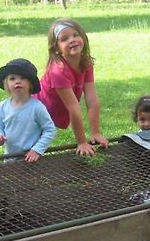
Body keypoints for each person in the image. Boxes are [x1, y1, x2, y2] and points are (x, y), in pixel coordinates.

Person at [34, 18, 109, 156]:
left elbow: (92, 101)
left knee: (35, 151)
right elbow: (73, 107)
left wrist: (95, 133)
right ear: (56, 48)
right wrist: (81, 142)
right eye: (64, 39)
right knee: (27, 148)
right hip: (34, 113)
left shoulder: (86, 63)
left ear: (83, 38)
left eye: (76, 35)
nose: (72, 40)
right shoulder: (58, 70)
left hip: (51, 112)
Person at [0, 58, 56, 162]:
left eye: (22, 78)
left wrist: (37, 150)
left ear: (30, 83)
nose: (17, 81)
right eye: (12, 78)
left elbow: (49, 130)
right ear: (6, 83)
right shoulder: (3, 106)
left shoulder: (37, 107)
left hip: (31, 157)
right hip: (9, 157)